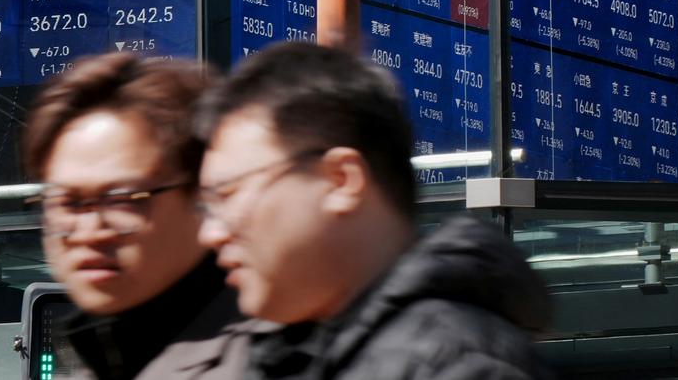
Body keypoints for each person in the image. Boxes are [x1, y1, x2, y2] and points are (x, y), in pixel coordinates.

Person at [194, 41, 553, 379]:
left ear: (341, 180)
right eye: (206, 207)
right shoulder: (280, 355)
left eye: (228, 194)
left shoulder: (458, 366)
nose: (210, 233)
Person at [23, 52, 253, 379]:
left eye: (123, 199)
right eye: (68, 203)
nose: (90, 231)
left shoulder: (280, 358)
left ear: (204, 199)